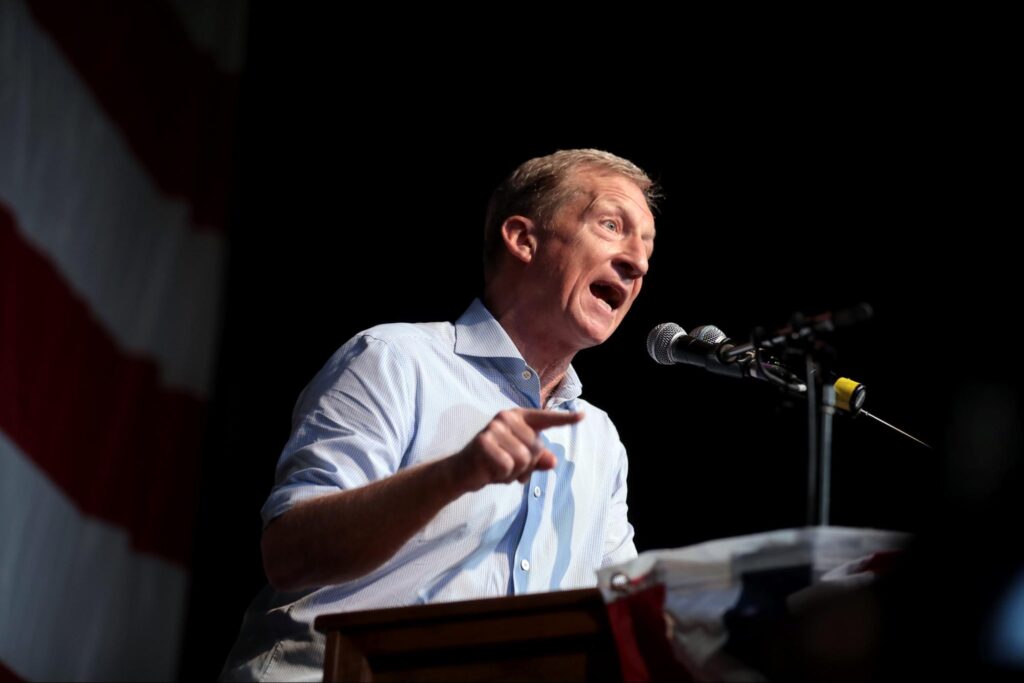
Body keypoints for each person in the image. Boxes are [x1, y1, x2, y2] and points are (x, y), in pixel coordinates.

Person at [220, 149, 659, 681]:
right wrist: (456, 473)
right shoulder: (395, 359)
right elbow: (290, 555)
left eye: (647, 246)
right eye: (612, 226)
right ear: (522, 239)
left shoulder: (600, 441)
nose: (637, 262)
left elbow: (625, 610)